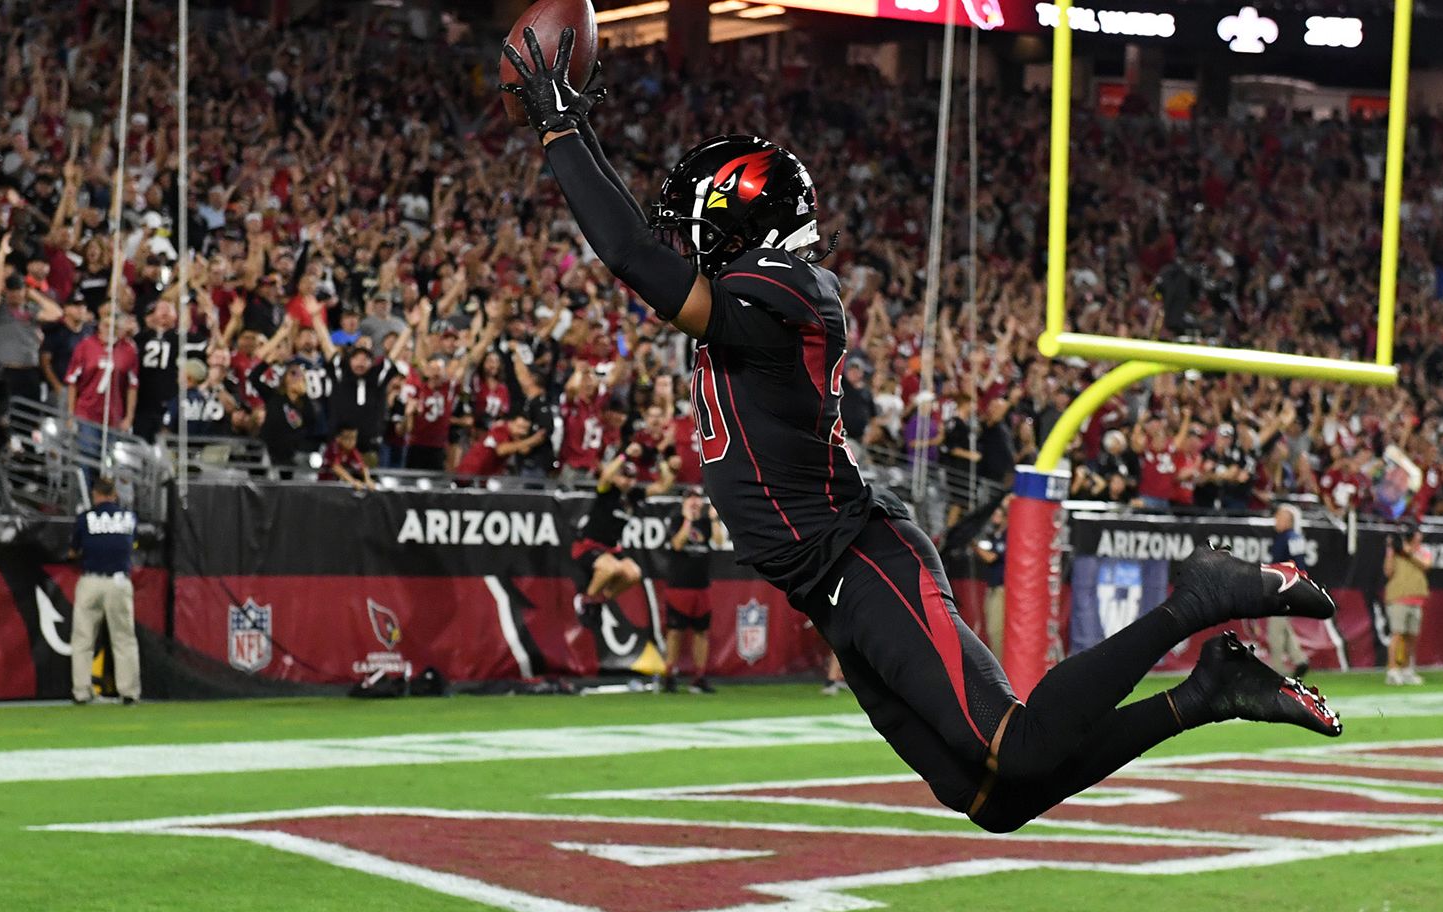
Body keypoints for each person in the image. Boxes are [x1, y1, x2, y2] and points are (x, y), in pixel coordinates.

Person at [504, 33, 1344, 834]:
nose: (686, 240)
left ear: (743, 218)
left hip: (859, 557)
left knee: (1012, 744)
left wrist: (560, 125)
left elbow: (632, 258)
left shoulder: (784, 290)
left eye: (697, 219)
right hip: (827, 584)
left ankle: (1197, 599)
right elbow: (646, 254)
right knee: (992, 795)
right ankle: (1206, 691)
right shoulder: (756, 297)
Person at [68, 476, 140, 705]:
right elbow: (132, 545)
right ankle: (129, 691)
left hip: (91, 580)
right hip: (118, 582)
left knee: (83, 639)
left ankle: (81, 691)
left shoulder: (85, 518)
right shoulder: (128, 518)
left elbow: (72, 552)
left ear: (95, 494)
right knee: (124, 639)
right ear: (114, 494)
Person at [662, 489, 726, 693]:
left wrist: (715, 519)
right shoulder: (675, 519)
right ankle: (669, 673)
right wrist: (687, 521)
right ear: (684, 501)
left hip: (701, 586)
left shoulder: (707, 522)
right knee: (675, 632)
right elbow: (677, 544)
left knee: (701, 632)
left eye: (697, 498)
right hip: (679, 586)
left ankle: (699, 675)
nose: (694, 501)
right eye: (690, 498)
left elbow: (719, 542)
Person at [570, 453, 647, 622]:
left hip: (612, 548)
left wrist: (667, 464)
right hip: (589, 545)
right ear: (616, 477)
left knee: (633, 573)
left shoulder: (634, 496)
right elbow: (605, 475)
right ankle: (586, 599)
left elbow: (662, 487)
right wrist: (624, 455)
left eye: (632, 477)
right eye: (624, 476)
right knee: (611, 568)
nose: (628, 481)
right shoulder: (607, 491)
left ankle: (601, 599)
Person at [1264, 504, 1312, 678]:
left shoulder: (1287, 538)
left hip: (1284, 587)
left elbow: (1288, 565)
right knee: (1282, 626)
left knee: (1275, 629)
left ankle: (1277, 668)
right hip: (1289, 586)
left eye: (1279, 517)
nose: (1275, 520)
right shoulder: (1291, 537)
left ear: (1288, 520)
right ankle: (1300, 660)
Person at [1382, 524, 1431, 685]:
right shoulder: (1395, 553)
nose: (1419, 537)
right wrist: (1391, 551)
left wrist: (1407, 552)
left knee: (1412, 637)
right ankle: (1392, 669)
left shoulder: (1423, 551)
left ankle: (1407, 669)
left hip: (1417, 599)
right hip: (1398, 598)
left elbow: (1426, 565)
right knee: (1397, 634)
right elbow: (1388, 572)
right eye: (1417, 535)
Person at [972, 498, 1008, 658]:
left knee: (996, 631)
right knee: (991, 629)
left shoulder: (1007, 535)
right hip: (993, 586)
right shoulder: (996, 535)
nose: (994, 517)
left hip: (1000, 588)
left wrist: (973, 546)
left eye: (997, 514)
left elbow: (991, 557)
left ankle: (1001, 667)